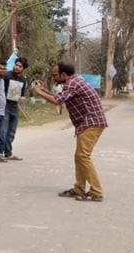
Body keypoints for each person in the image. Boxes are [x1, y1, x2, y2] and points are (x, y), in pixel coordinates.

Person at [31, 63, 108, 202]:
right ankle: (79, 188)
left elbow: (57, 101)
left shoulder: (72, 83)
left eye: (55, 75)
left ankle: (96, 192)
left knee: (83, 156)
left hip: (90, 122)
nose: (53, 78)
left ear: (64, 75)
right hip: (87, 123)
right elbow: (61, 97)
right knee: (79, 157)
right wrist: (44, 91)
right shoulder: (74, 81)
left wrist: (39, 92)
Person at [3, 57, 28, 160]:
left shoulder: (23, 80)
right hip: (5, 106)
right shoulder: (6, 76)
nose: (17, 67)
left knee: (11, 132)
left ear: (23, 69)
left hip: (14, 107)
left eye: (20, 66)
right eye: (16, 65)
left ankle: (8, 153)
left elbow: (21, 95)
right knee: (3, 131)